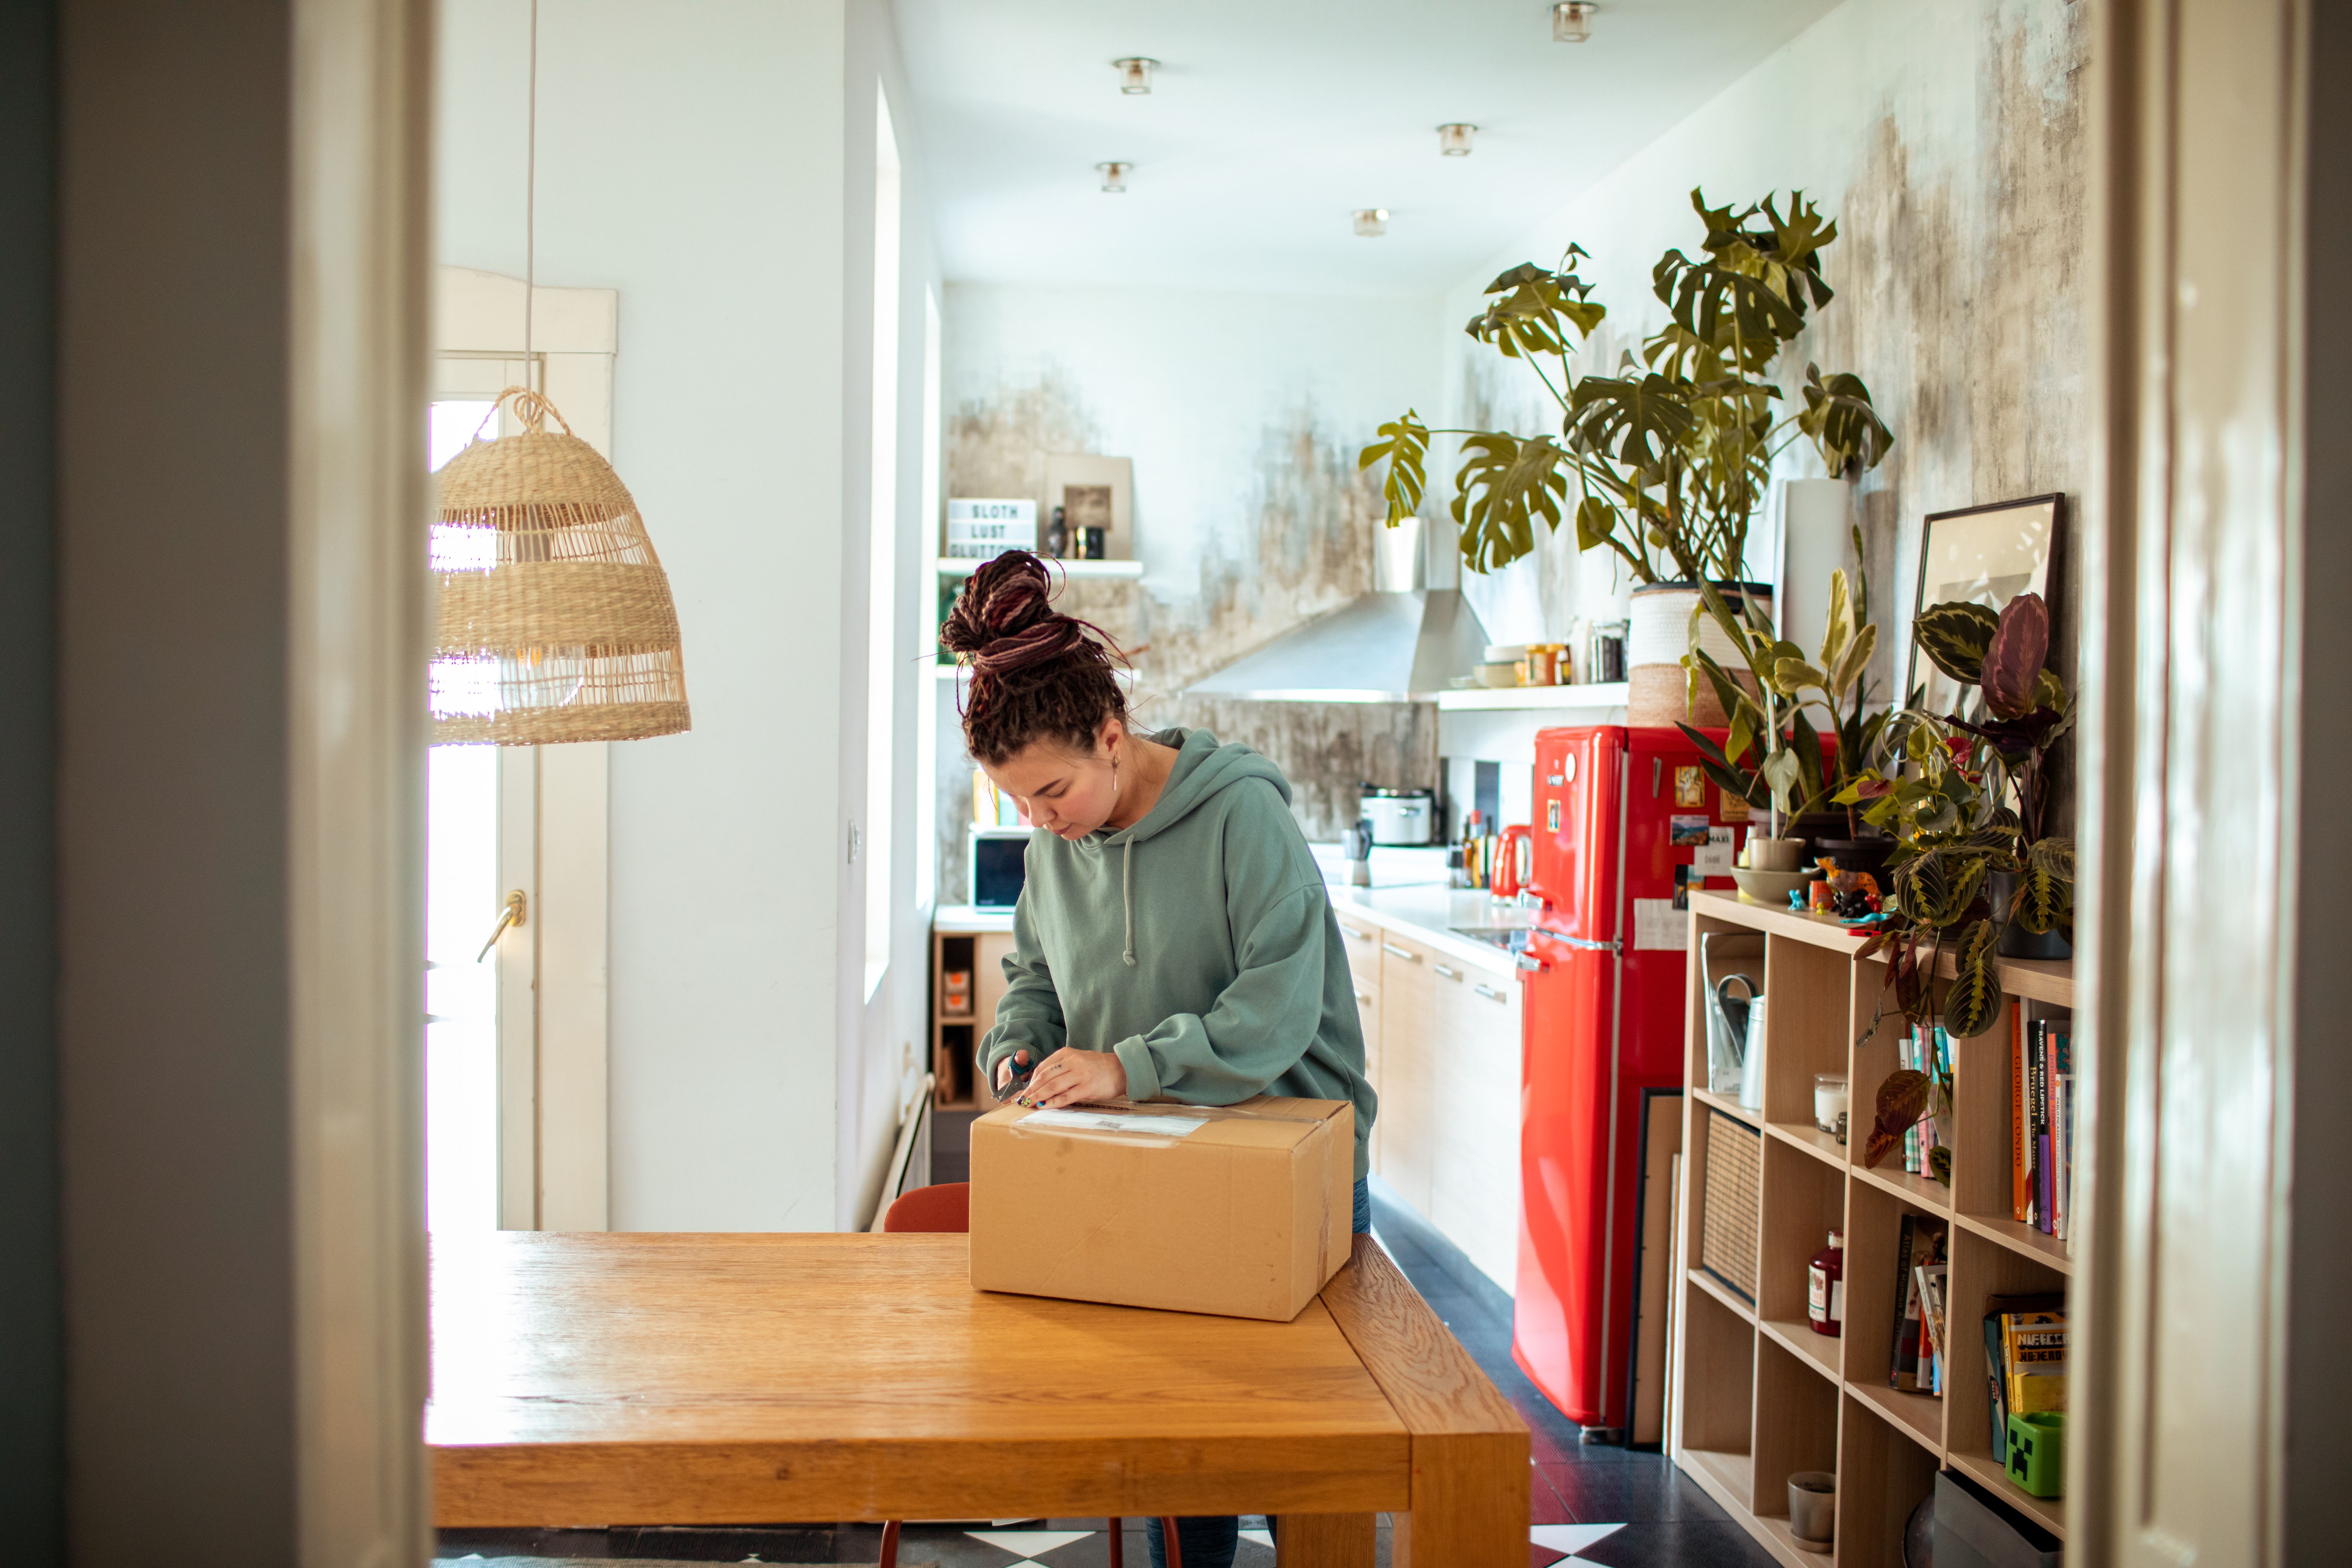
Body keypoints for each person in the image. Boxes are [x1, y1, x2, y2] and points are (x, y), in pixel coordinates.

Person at [942, 551, 1377, 1568]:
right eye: (1019, 804)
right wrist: (1020, 1047)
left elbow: (1276, 1010)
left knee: (1304, 1470)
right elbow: (1039, 972)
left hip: (1289, 1171)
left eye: (1051, 792)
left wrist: (1124, 1066)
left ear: (1111, 737)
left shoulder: (1244, 818)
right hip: (1155, 1165)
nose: (1039, 823)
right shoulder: (1056, 844)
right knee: (1181, 1456)